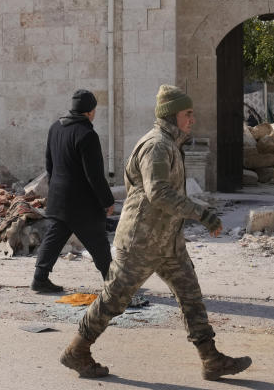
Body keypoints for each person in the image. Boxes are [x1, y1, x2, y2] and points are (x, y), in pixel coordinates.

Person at [59, 85, 252, 381]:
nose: (193, 119)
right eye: (188, 114)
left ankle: (211, 359)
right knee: (114, 299)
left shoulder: (171, 144)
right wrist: (201, 213)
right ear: (172, 115)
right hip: (141, 241)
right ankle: (77, 350)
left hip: (168, 242)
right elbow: (158, 193)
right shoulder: (157, 146)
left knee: (191, 296)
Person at [31, 89, 115, 293]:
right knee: (98, 243)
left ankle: (39, 279)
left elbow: (49, 165)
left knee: (54, 238)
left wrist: (55, 190)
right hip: (82, 203)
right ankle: (114, 284)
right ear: (89, 112)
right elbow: (94, 175)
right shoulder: (87, 134)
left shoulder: (55, 128)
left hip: (59, 198)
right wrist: (107, 201)